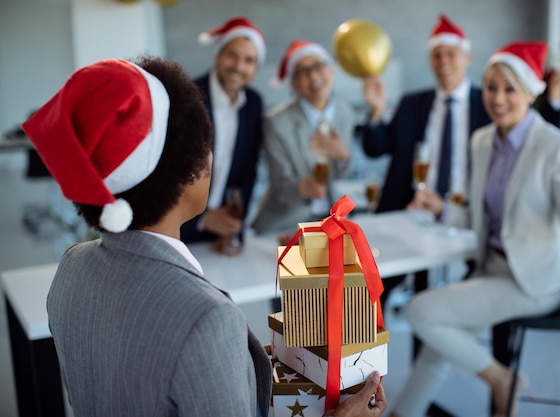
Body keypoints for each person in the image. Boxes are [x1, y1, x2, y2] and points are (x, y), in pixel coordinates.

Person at [21, 56, 386, 417]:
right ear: (189, 171)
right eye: (205, 144)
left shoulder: (72, 265)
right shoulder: (207, 319)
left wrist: (238, 364)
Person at [388, 41, 560, 417]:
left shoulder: (556, 146)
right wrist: (441, 207)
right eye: (491, 87)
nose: (498, 98)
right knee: (439, 342)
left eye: (510, 89)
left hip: (537, 280)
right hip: (493, 269)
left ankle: (501, 379)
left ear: (529, 92)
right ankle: (403, 413)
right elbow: (479, 216)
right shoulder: (482, 141)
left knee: (420, 311)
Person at [180, 16, 265, 254]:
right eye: (232, 55)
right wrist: (202, 219)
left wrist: (234, 230)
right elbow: (166, 173)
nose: (239, 66)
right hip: (178, 230)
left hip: (220, 233)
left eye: (249, 60)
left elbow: (248, 171)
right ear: (218, 55)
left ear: (256, 68)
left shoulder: (254, 104)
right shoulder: (188, 98)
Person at [252, 40, 354, 235]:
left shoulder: (345, 113)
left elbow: (341, 175)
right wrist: (301, 188)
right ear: (294, 83)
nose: (313, 75)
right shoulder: (276, 122)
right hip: (286, 223)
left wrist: (343, 157)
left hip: (330, 220)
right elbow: (279, 185)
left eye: (318, 66)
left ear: (332, 70)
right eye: (303, 71)